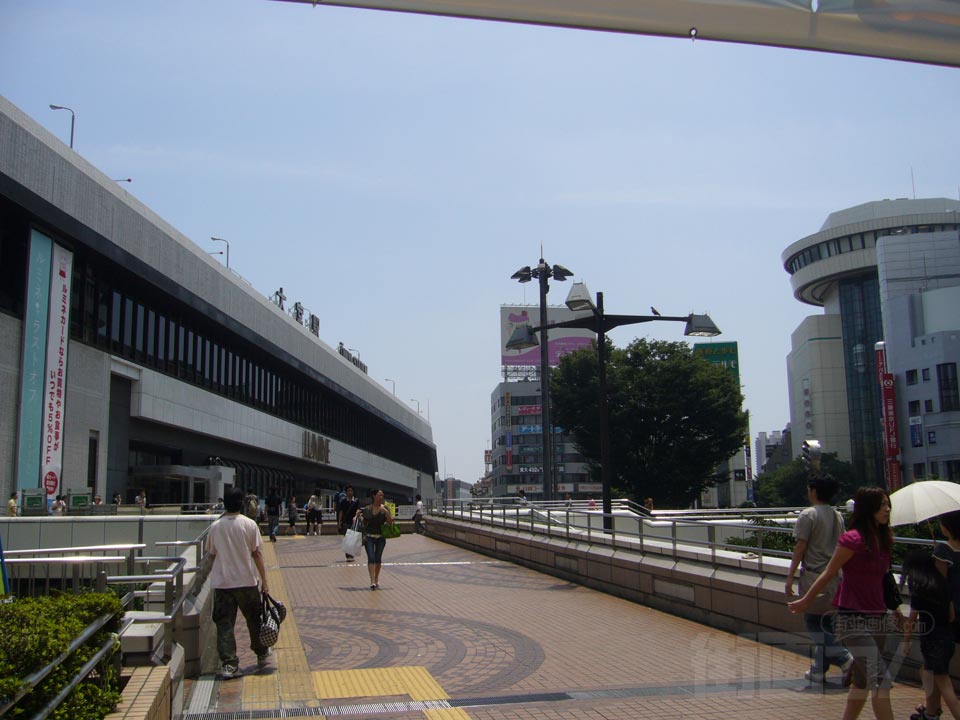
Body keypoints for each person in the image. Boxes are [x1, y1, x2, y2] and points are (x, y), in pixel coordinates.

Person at [788, 486, 897, 720]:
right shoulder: (853, 539)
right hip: (852, 619)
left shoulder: (884, 538)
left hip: (878, 616)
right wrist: (805, 600)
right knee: (881, 681)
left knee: (862, 681)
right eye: (882, 505)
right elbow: (829, 572)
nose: (887, 509)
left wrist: (896, 609)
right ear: (868, 508)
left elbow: (885, 580)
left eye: (888, 504)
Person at [785, 474, 853, 684]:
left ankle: (845, 658)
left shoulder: (808, 515)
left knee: (813, 622)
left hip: (814, 575)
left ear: (814, 491)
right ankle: (818, 670)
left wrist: (790, 576)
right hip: (834, 576)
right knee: (827, 624)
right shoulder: (837, 515)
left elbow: (800, 547)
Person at [205, 487, 271, 678]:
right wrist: (265, 581)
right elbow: (257, 553)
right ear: (242, 503)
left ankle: (229, 663)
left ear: (224, 503)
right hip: (247, 581)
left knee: (224, 624)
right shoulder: (249, 525)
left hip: (223, 583)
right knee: (254, 620)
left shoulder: (215, 527)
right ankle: (261, 652)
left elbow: (211, 554)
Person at [911, 511, 960, 720]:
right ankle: (931, 713)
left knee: (937, 671)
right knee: (931, 669)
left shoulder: (943, 549)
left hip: (945, 616)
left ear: (947, 526)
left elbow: (940, 586)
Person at [357, 488, 394, 590]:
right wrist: (356, 516)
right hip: (369, 537)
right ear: (374, 496)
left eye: (382, 495)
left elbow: (390, 522)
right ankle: (372, 580)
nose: (381, 497)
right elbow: (362, 518)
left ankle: (376, 577)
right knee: (371, 558)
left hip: (381, 537)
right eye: (379, 495)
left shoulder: (385, 508)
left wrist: (386, 512)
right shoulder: (368, 509)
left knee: (378, 559)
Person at [337, 486, 360, 559]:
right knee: (347, 539)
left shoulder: (356, 501)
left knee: (352, 539)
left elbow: (358, 510)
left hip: (354, 522)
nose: (350, 492)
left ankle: (350, 554)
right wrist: (339, 522)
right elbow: (341, 512)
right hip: (345, 522)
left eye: (351, 491)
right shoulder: (343, 501)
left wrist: (356, 516)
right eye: (348, 491)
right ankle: (348, 555)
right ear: (346, 492)